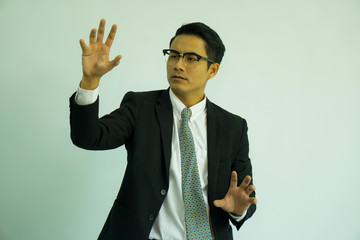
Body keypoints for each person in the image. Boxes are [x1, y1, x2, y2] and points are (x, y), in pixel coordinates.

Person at [69, 19, 257, 240]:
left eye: (191, 58)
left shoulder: (233, 127)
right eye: (174, 55)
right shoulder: (140, 108)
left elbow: (244, 195)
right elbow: (89, 137)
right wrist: (90, 81)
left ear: (212, 70)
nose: (178, 64)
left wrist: (238, 209)